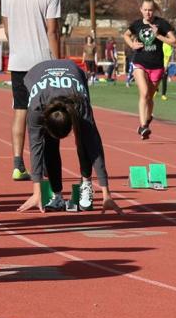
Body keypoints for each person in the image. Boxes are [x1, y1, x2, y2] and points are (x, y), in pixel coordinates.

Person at [16, 59, 120, 215]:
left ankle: (86, 181)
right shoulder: (36, 109)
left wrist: (107, 194)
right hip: (36, 74)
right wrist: (36, 192)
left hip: (73, 74)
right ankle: (57, 195)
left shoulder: (80, 104)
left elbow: (94, 145)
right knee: (49, 144)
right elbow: (35, 146)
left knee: (84, 136)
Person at [0, 0, 60, 182]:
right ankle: (44, 164)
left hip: (18, 62)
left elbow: (7, 28)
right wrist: (58, 63)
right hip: (43, 63)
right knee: (47, 113)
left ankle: (17, 164)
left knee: (20, 112)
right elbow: (53, 33)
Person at [123, 0, 176, 139]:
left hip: (157, 66)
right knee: (144, 92)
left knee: (150, 97)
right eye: (145, 10)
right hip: (140, 63)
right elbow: (126, 35)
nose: (148, 13)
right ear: (141, 10)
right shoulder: (136, 24)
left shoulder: (162, 23)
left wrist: (158, 35)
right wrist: (132, 45)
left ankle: (147, 120)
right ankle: (143, 126)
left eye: (150, 10)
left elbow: (175, 42)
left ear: (154, 11)